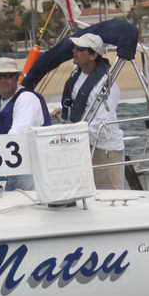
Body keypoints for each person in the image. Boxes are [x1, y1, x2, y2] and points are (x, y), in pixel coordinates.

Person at [59, 33, 125, 190]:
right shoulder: (77, 76)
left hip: (104, 149)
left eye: (80, 49)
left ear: (93, 55)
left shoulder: (107, 84)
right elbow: (80, 104)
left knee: (108, 195)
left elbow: (103, 122)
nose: (74, 51)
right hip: (82, 145)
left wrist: (72, 134)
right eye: (75, 48)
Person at [0, 57, 51, 190]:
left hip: (31, 169)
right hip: (10, 166)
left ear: (17, 78)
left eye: (8, 76)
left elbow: (18, 134)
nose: (3, 80)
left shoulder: (26, 98)